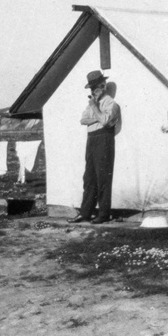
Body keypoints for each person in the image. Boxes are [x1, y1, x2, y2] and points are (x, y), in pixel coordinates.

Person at [68, 70, 121, 224]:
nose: (93, 92)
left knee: (103, 177)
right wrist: (97, 116)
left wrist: (95, 111)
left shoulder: (111, 103)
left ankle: (103, 214)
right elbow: (82, 120)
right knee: (89, 177)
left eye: (95, 88)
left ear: (103, 86)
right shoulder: (92, 104)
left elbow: (105, 122)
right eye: (91, 89)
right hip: (91, 139)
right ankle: (85, 213)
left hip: (104, 139)